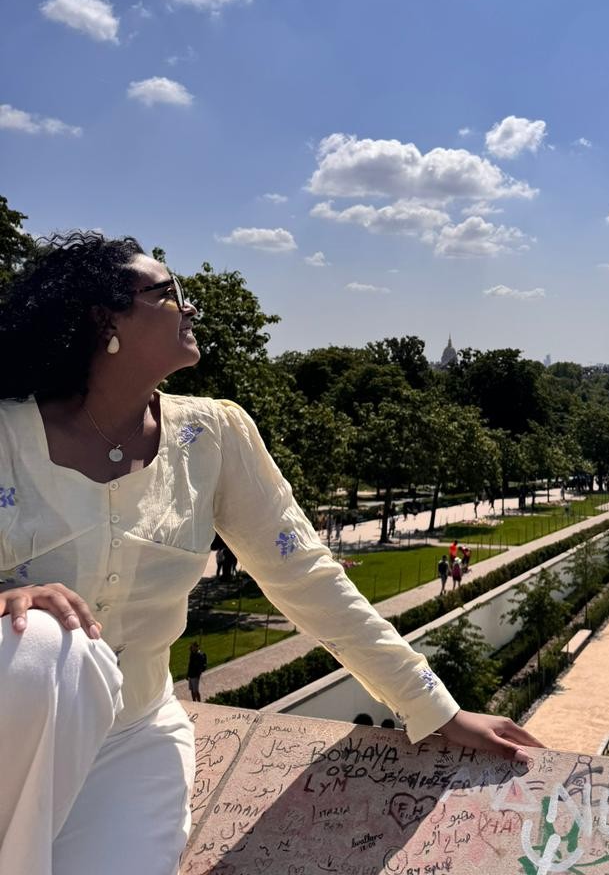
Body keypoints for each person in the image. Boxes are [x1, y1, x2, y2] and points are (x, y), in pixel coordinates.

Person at [0, 233, 543, 875]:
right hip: (15, 733)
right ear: (104, 320)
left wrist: (433, 706)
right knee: (43, 640)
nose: (191, 307)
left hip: (132, 740)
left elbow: (305, 575)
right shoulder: (8, 435)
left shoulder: (212, 435)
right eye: (169, 292)